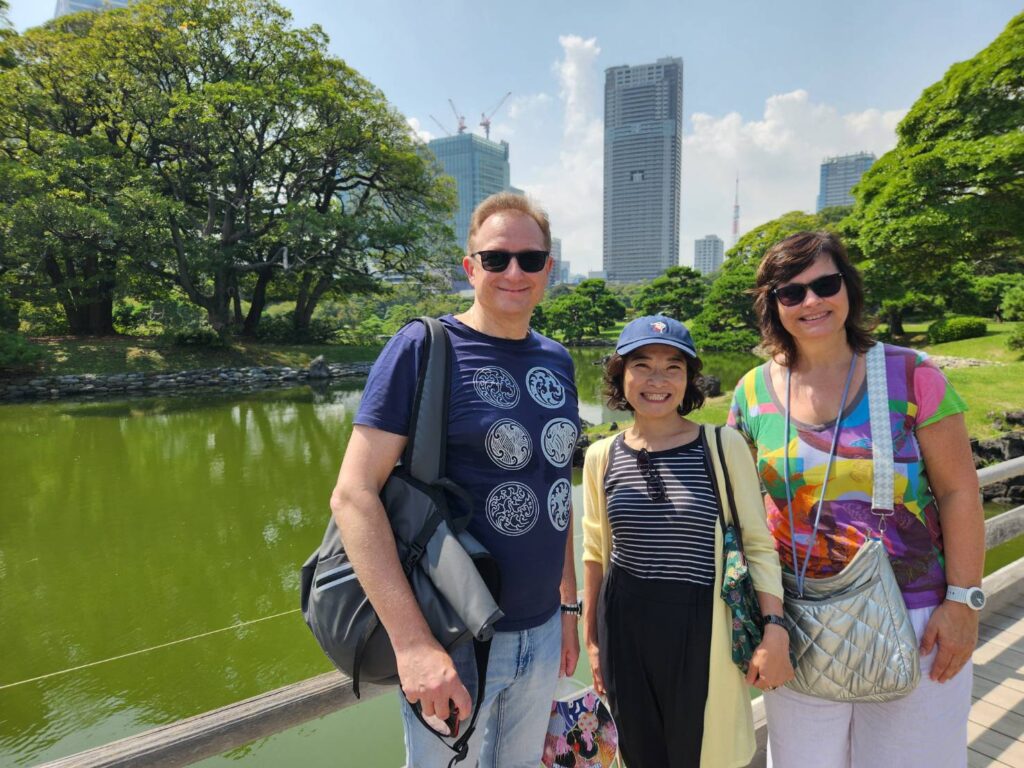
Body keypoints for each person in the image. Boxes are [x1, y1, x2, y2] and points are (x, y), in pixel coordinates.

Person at [330, 192, 580, 767]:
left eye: (530, 259)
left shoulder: (557, 361)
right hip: (455, 635)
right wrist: (413, 644)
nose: (513, 272)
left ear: (549, 268)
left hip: (543, 632)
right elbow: (353, 495)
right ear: (470, 267)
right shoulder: (423, 347)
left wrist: (566, 609)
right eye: (496, 258)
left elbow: (556, 490)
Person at [728, 231, 985, 767]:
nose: (811, 301)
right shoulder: (752, 391)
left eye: (825, 284)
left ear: (848, 286)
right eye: (791, 292)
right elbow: (739, 509)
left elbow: (959, 491)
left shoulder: (911, 374)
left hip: (914, 618)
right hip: (796, 621)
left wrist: (964, 602)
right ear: (773, 304)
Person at [581, 315, 793, 768]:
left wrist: (775, 626)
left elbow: (758, 544)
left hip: (701, 621)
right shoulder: (602, 455)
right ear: (620, 374)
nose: (657, 380)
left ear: (689, 379)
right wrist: (593, 642)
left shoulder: (722, 445)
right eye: (642, 365)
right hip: (625, 626)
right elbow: (596, 552)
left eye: (672, 368)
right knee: (637, 754)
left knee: (704, 753)